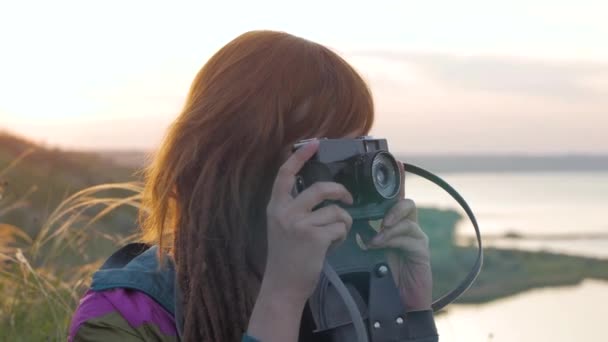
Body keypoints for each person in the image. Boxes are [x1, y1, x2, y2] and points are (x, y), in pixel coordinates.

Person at [68, 30, 438, 342]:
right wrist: (282, 297)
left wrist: (410, 308)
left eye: (358, 147)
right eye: (327, 150)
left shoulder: (341, 289)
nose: (351, 173)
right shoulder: (125, 315)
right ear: (239, 157)